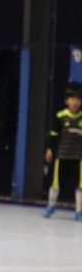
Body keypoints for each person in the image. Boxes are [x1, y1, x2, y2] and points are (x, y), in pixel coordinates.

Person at [44, 84, 82, 221]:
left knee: (81, 185)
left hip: (79, 158)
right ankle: (51, 205)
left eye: (78, 99)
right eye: (72, 99)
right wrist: (49, 149)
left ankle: (79, 211)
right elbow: (53, 135)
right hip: (62, 156)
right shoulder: (60, 116)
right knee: (56, 183)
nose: (75, 102)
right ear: (67, 101)